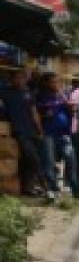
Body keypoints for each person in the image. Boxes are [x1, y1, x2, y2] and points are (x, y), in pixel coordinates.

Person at [1, 69, 46, 197]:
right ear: (12, 79)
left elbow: (34, 113)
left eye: (23, 78)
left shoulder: (28, 93)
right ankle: (45, 187)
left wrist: (40, 130)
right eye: (18, 78)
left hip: (31, 131)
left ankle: (27, 188)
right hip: (18, 131)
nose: (21, 80)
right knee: (32, 158)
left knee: (27, 161)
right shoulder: (5, 92)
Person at [35, 72, 78, 200]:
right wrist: (54, 107)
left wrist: (69, 107)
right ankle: (52, 188)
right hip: (49, 133)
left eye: (58, 81)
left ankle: (68, 186)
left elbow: (70, 108)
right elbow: (38, 109)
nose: (57, 84)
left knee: (70, 158)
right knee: (49, 161)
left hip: (64, 133)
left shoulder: (62, 94)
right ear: (46, 83)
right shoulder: (41, 95)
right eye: (54, 81)